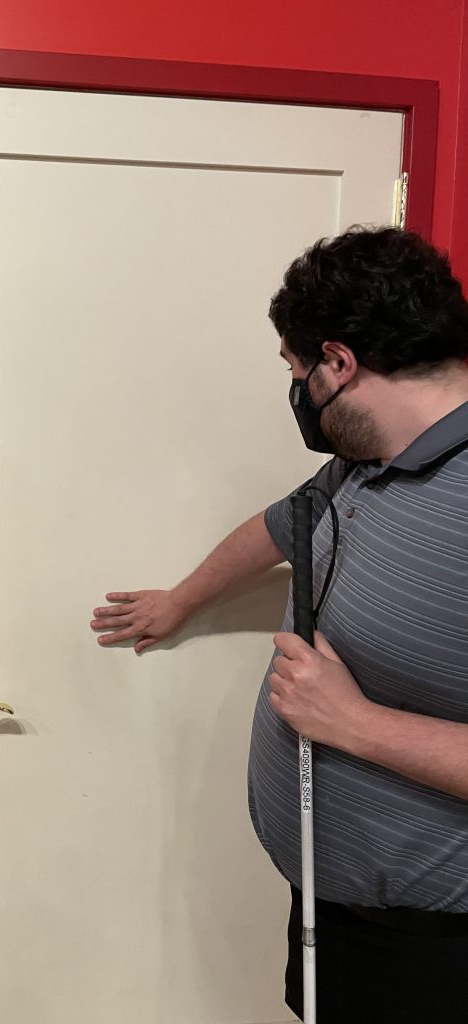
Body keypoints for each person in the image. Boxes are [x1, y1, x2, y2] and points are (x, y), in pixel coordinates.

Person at [90, 227, 468, 1024]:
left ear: (339, 363)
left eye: (298, 372)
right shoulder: (368, 460)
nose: (297, 392)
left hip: (433, 947)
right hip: (332, 904)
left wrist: (355, 724)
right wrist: (182, 599)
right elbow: (279, 527)